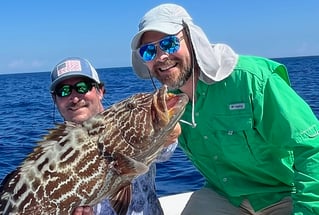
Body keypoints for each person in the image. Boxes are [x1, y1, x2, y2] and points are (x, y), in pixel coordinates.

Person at [130, 3, 319, 215]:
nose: (161, 56)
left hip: (285, 193)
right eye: (148, 51)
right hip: (224, 195)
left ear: (193, 40)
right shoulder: (166, 105)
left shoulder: (251, 79)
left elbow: (312, 147)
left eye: (169, 43)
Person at [50, 56, 180, 215]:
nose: (75, 97)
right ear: (55, 100)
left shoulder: (125, 122)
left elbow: (165, 151)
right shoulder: (52, 156)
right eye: (63, 91)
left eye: (82, 87)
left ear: (100, 91)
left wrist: (168, 133)